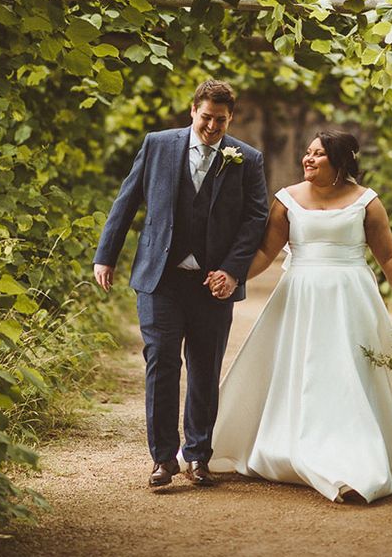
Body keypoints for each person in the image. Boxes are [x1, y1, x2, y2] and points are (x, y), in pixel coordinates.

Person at [203, 130, 392, 503]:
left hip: (352, 299)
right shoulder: (286, 200)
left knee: (351, 374)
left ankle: (359, 460)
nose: (308, 159)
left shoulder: (367, 203)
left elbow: (389, 257)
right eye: (307, 153)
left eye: (318, 155)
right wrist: (233, 277)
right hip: (300, 299)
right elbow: (264, 252)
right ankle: (297, 447)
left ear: (341, 163)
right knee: (304, 371)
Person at [93, 79, 268, 488]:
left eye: (221, 121)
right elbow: (128, 198)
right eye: (206, 118)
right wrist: (106, 254)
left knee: (205, 370)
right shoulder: (158, 144)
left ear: (230, 119)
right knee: (162, 362)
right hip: (161, 278)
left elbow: (255, 219)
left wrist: (232, 270)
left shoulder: (247, 159)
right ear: (193, 111)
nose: (212, 127)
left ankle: (199, 456)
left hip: (213, 284)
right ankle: (162, 459)